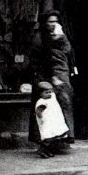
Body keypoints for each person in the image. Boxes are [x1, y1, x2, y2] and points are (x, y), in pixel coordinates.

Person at [29, 11, 74, 155]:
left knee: (60, 109)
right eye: (49, 22)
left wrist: (59, 38)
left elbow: (67, 51)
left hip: (58, 77)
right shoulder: (39, 39)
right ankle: (45, 144)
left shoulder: (58, 36)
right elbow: (37, 61)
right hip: (45, 78)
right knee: (45, 112)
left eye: (55, 21)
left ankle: (60, 141)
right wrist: (45, 79)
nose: (52, 24)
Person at [33, 81, 69, 158]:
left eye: (50, 92)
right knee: (48, 137)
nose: (49, 94)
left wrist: (58, 84)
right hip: (47, 122)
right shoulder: (42, 102)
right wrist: (40, 118)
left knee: (54, 137)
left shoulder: (52, 97)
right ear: (40, 93)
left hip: (54, 121)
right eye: (46, 92)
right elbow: (38, 111)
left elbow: (55, 91)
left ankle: (47, 151)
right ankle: (42, 150)